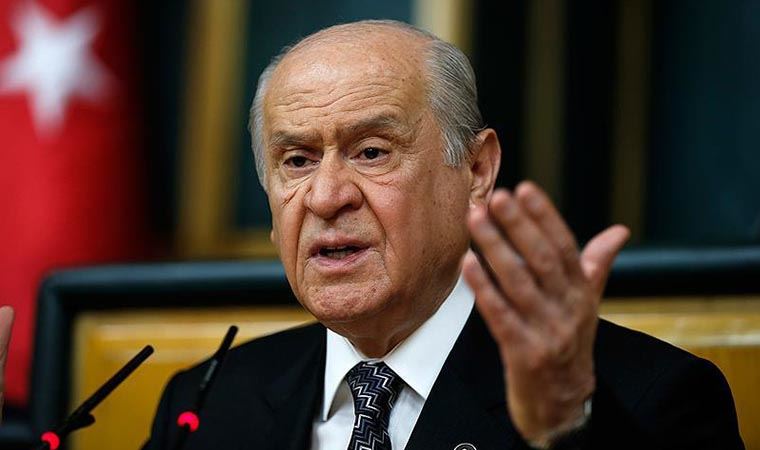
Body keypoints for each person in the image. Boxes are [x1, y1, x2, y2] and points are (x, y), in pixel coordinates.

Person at [1, 19, 742, 449]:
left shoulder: (646, 400)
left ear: (476, 169)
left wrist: (563, 427)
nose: (326, 196)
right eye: (296, 160)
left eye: (371, 152)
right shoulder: (207, 404)